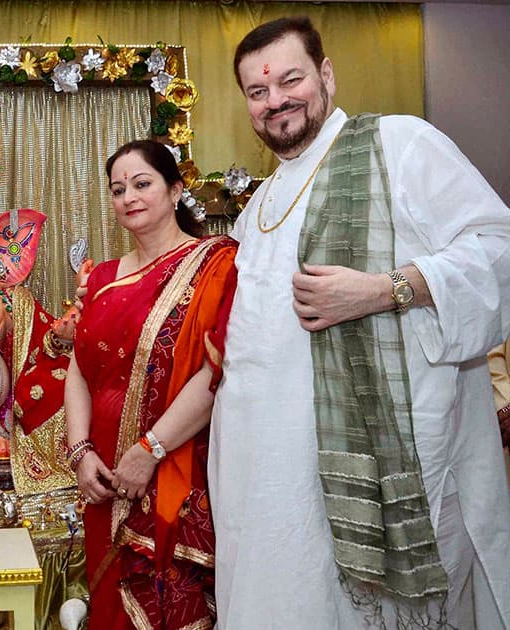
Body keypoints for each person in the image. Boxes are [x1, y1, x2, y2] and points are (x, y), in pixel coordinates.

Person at [211, 16, 510, 629]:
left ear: (326, 75)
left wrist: (385, 289)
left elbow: (497, 248)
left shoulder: (398, 145)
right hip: (263, 480)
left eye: (291, 79)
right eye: (258, 92)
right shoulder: (261, 202)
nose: (277, 100)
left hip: (368, 475)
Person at [65, 140, 238, 628]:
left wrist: (149, 450)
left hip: (173, 468)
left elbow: (215, 373)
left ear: (176, 189)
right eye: (118, 189)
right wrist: (80, 452)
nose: (129, 197)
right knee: (110, 606)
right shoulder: (101, 277)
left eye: (142, 184)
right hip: (103, 474)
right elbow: (78, 367)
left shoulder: (216, 264)